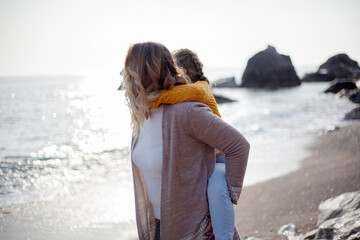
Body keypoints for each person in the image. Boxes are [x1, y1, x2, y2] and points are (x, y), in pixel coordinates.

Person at [120, 42, 249, 239]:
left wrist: (219, 207)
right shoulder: (142, 117)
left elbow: (238, 146)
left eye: (127, 68)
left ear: (142, 72)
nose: (122, 74)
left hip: (196, 231)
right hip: (163, 229)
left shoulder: (186, 112)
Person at [150, 48, 235, 239]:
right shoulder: (185, 95)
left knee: (216, 187)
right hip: (204, 162)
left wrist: (153, 99)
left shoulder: (199, 90)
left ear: (184, 73)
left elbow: (174, 95)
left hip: (220, 162)